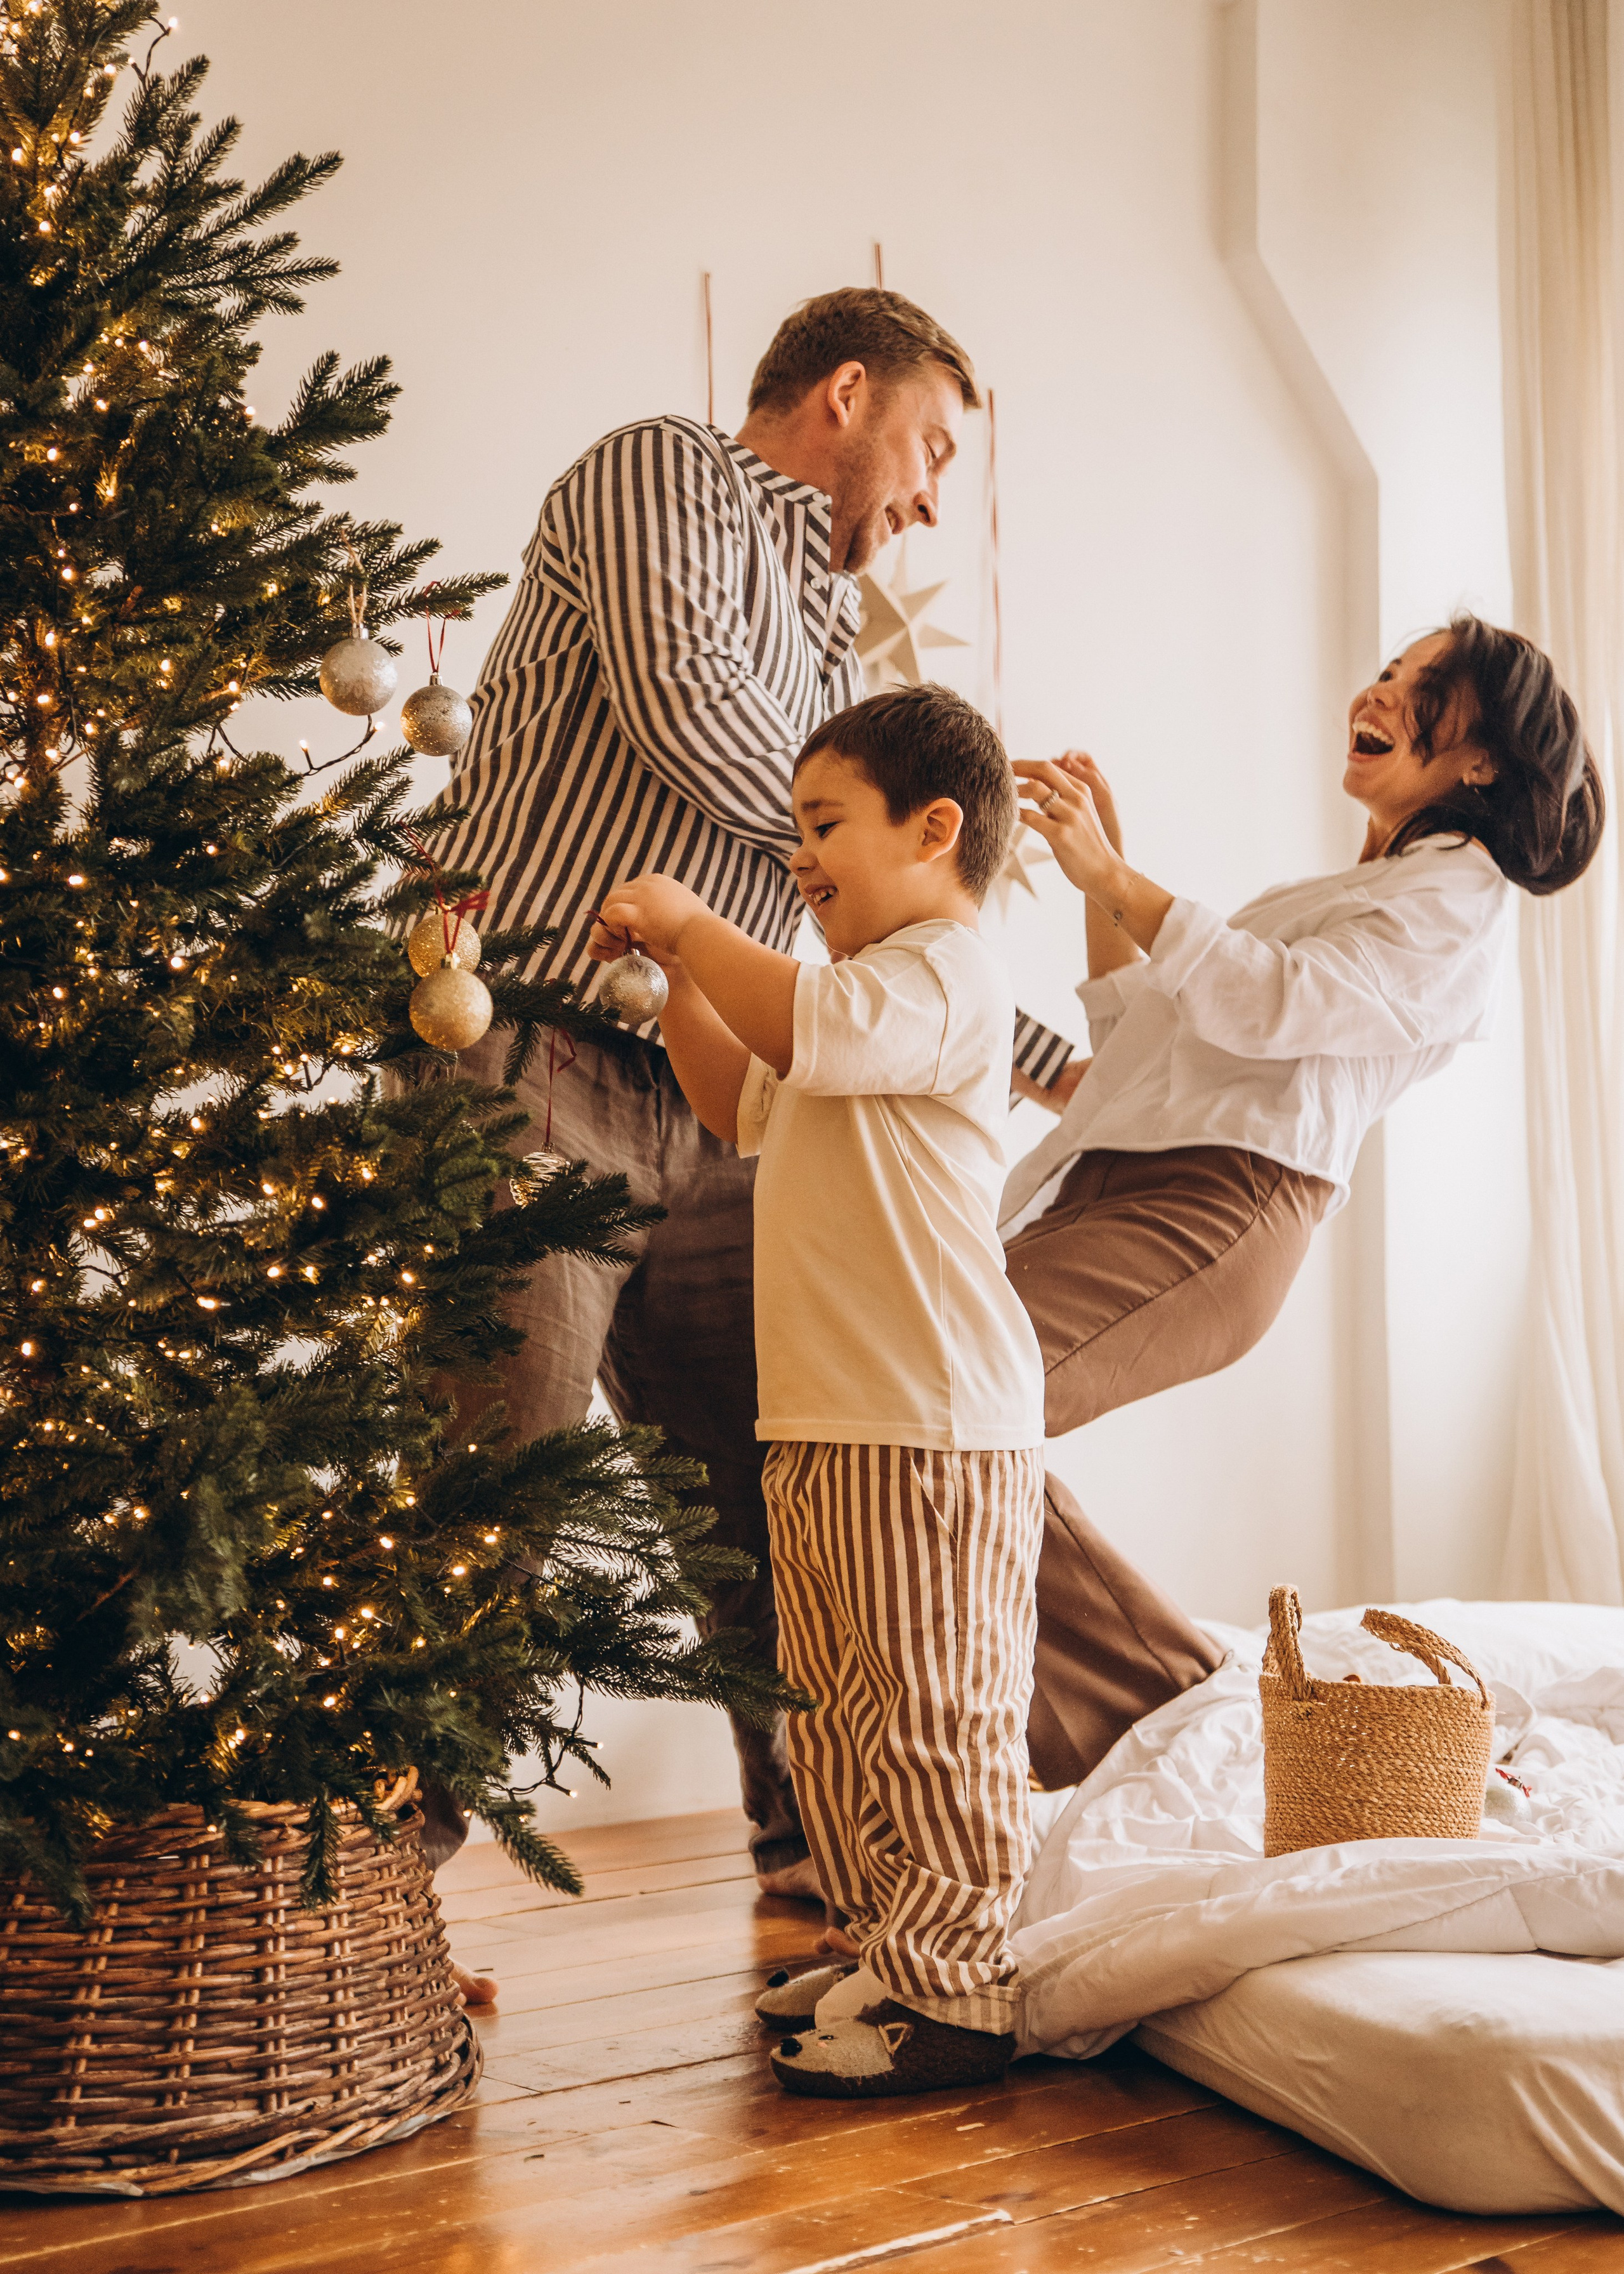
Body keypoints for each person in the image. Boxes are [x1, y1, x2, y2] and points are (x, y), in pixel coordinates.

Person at [422, 289, 1076, 1904]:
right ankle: (377, 1904)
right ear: (843, 395)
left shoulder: (828, 631)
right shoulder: (661, 474)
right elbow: (690, 715)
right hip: (535, 1057)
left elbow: (856, 928)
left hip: (710, 1092)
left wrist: (1035, 1039)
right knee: (498, 1475)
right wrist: (862, 832)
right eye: (927, 446)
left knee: (756, 1475)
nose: (928, 495)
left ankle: (836, 1850)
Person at [998, 615, 1602, 1780]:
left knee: (941, 1398)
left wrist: (1118, 877)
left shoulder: (1458, 909)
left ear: (1481, 761)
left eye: (1423, 686)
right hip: (1127, 1185)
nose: (1376, 691)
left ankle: (1179, 1710)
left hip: (1215, 1210)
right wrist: (1105, 883)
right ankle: (1170, 1709)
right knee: (929, 1414)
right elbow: (1131, 1053)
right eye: (1385, 669)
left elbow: (1269, 1003)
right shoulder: (1354, 888)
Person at [588, 685, 1046, 2100]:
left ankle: (962, 1979)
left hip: (929, 1421)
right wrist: (672, 993)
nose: (798, 855)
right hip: (826, 1418)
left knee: (928, 1707)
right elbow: (743, 1097)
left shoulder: (945, 973)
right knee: (837, 1711)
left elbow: (817, 1024)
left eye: (821, 824)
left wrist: (684, 923)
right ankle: (884, 1941)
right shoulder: (855, 1013)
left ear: (934, 829)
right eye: (793, 826)